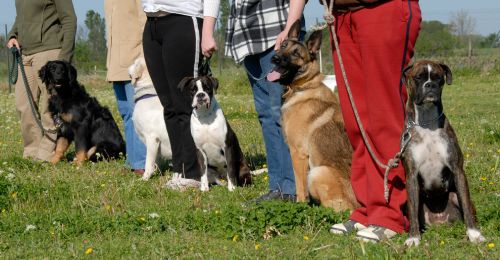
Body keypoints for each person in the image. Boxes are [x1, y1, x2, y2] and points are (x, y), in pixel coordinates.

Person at [324, 0, 421, 242]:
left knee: (383, 114)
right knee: (356, 120)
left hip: (382, 8)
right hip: (342, 14)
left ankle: (392, 212)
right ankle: (367, 206)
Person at [225, 0, 306, 202]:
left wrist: (290, 28)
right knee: (267, 116)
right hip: (250, 39)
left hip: (277, 34)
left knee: (284, 115)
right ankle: (277, 187)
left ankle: (294, 189)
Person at [141, 0, 220, 186]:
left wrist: (207, 32)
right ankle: (180, 168)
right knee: (168, 105)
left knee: (184, 104)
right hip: (152, 24)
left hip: (183, 20)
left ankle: (193, 172)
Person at [7, 0, 77, 162]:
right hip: (25, 54)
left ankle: (48, 153)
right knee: (23, 106)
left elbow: (69, 20)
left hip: (50, 51)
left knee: (49, 107)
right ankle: (32, 151)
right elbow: (21, 18)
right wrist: (13, 35)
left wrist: (64, 60)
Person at [104, 0, 147, 175]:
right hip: (116, 63)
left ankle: (143, 163)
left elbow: (145, 22)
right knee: (126, 112)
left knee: (137, 112)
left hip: (134, 60)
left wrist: (144, 60)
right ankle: (133, 160)